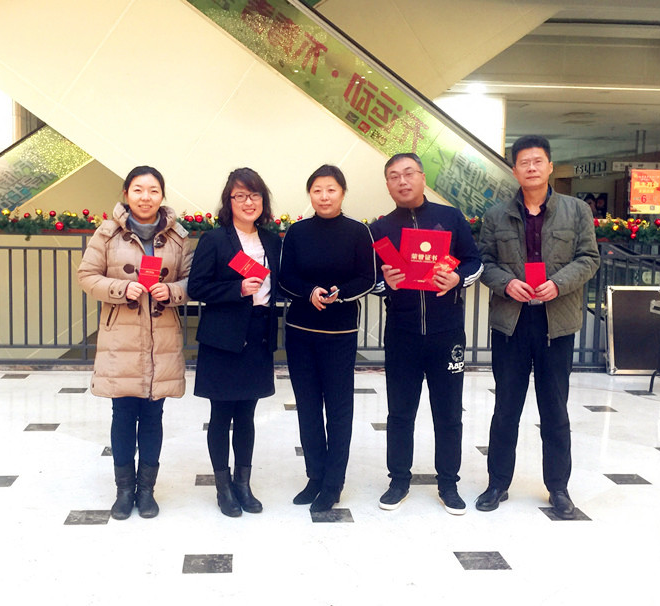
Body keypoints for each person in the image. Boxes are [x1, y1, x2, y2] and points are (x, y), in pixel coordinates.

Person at [475, 135, 600, 519]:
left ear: (549, 167)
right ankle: (497, 483)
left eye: (538, 161)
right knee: (505, 407)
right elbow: (484, 262)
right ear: (514, 170)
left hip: (555, 323)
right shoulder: (496, 215)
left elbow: (589, 258)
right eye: (524, 162)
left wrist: (558, 284)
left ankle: (558, 488)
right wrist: (506, 283)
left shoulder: (576, 211)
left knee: (555, 408)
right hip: (511, 322)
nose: (531, 167)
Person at [369, 152, 483, 514]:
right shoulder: (380, 228)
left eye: (408, 173)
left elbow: (475, 260)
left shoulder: (450, 218)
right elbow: (369, 279)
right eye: (394, 176)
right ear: (387, 185)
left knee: (448, 413)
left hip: (446, 333)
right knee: (400, 412)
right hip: (401, 333)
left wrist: (457, 279)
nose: (402, 181)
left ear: (421, 177)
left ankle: (448, 484)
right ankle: (398, 480)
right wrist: (385, 284)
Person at [78, 165, 193, 520]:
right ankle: (124, 491)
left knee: (154, 414)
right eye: (139, 190)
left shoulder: (178, 238)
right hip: (121, 339)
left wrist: (172, 291)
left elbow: (192, 281)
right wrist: (120, 287)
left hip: (161, 337)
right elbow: (86, 276)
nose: (146, 197)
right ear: (126, 193)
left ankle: (147, 491)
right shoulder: (107, 234)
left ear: (162, 195)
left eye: (153, 190)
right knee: (123, 414)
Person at [279, 165, 376, 513]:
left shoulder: (358, 232)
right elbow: (284, 277)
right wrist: (309, 292)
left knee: (338, 408)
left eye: (331, 189)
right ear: (310, 194)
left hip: (340, 334)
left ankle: (333, 483)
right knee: (307, 407)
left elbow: (368, 277)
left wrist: (340, 293)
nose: (324, 196)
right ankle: (315, 476)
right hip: (300, 333)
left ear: (342, 193)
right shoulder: (297, 232)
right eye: (317, 190)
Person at [187, 167, 281, 518]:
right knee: (221, 413)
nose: (248, 202)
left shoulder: (272, 241)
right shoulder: (215, 240)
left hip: (258, 335)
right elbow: (197, 287)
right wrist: (236, 288)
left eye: (254, 195)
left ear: (263, 200)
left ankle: (243, 484)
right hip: (223, 338)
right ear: (229, 201)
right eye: (240, 195)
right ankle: (223, 487)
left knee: (247, 414)